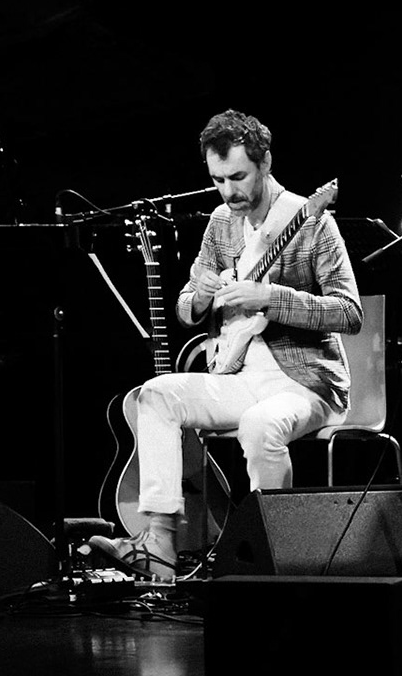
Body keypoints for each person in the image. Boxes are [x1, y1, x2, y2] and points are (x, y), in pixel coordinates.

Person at [88, 111, 362, 581]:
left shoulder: (312, 221)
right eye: (218, 180)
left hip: (305, 383)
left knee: (259, 426)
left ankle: (269, 558)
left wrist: (272, 299)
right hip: (236, 376)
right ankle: (159, 542)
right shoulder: (221, 223)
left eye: (238, 177)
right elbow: (185, 305)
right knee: (153, 394)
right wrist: (202, 297)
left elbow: (348, 312)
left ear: (265, 162)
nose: (229, 191)